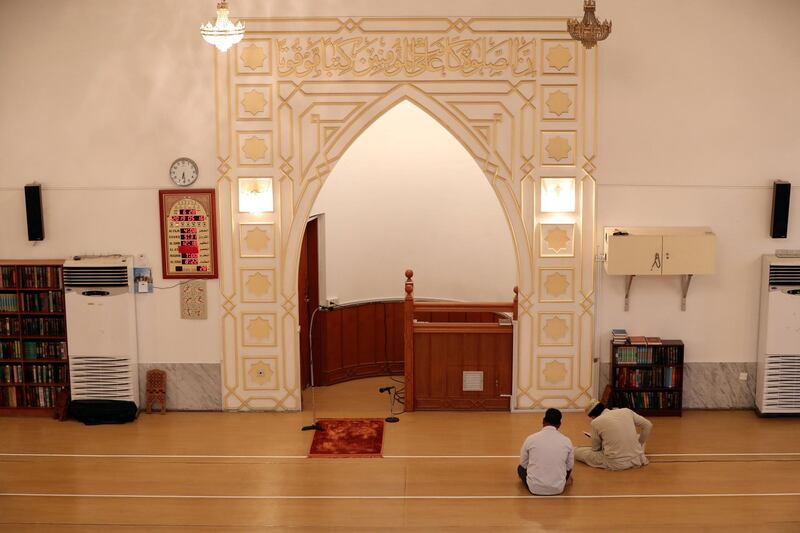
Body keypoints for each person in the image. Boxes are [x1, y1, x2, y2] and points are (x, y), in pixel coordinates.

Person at [574, 399, 653, 471]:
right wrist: (640, 444)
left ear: (592, 416)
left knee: (577, 451)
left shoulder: (596, 422)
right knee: (638, 436)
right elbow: (648, 425)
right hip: (637, 458)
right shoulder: (626, 411)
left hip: (616, 463)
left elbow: (596, 449)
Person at [517, 408, 574, 495]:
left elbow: (523, 463)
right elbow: (569, 467)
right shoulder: (567, 441)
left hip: (534, 488)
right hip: (558, 488)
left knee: (520, 468)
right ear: (559, 424)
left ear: (543, 421)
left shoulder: (531, 439)